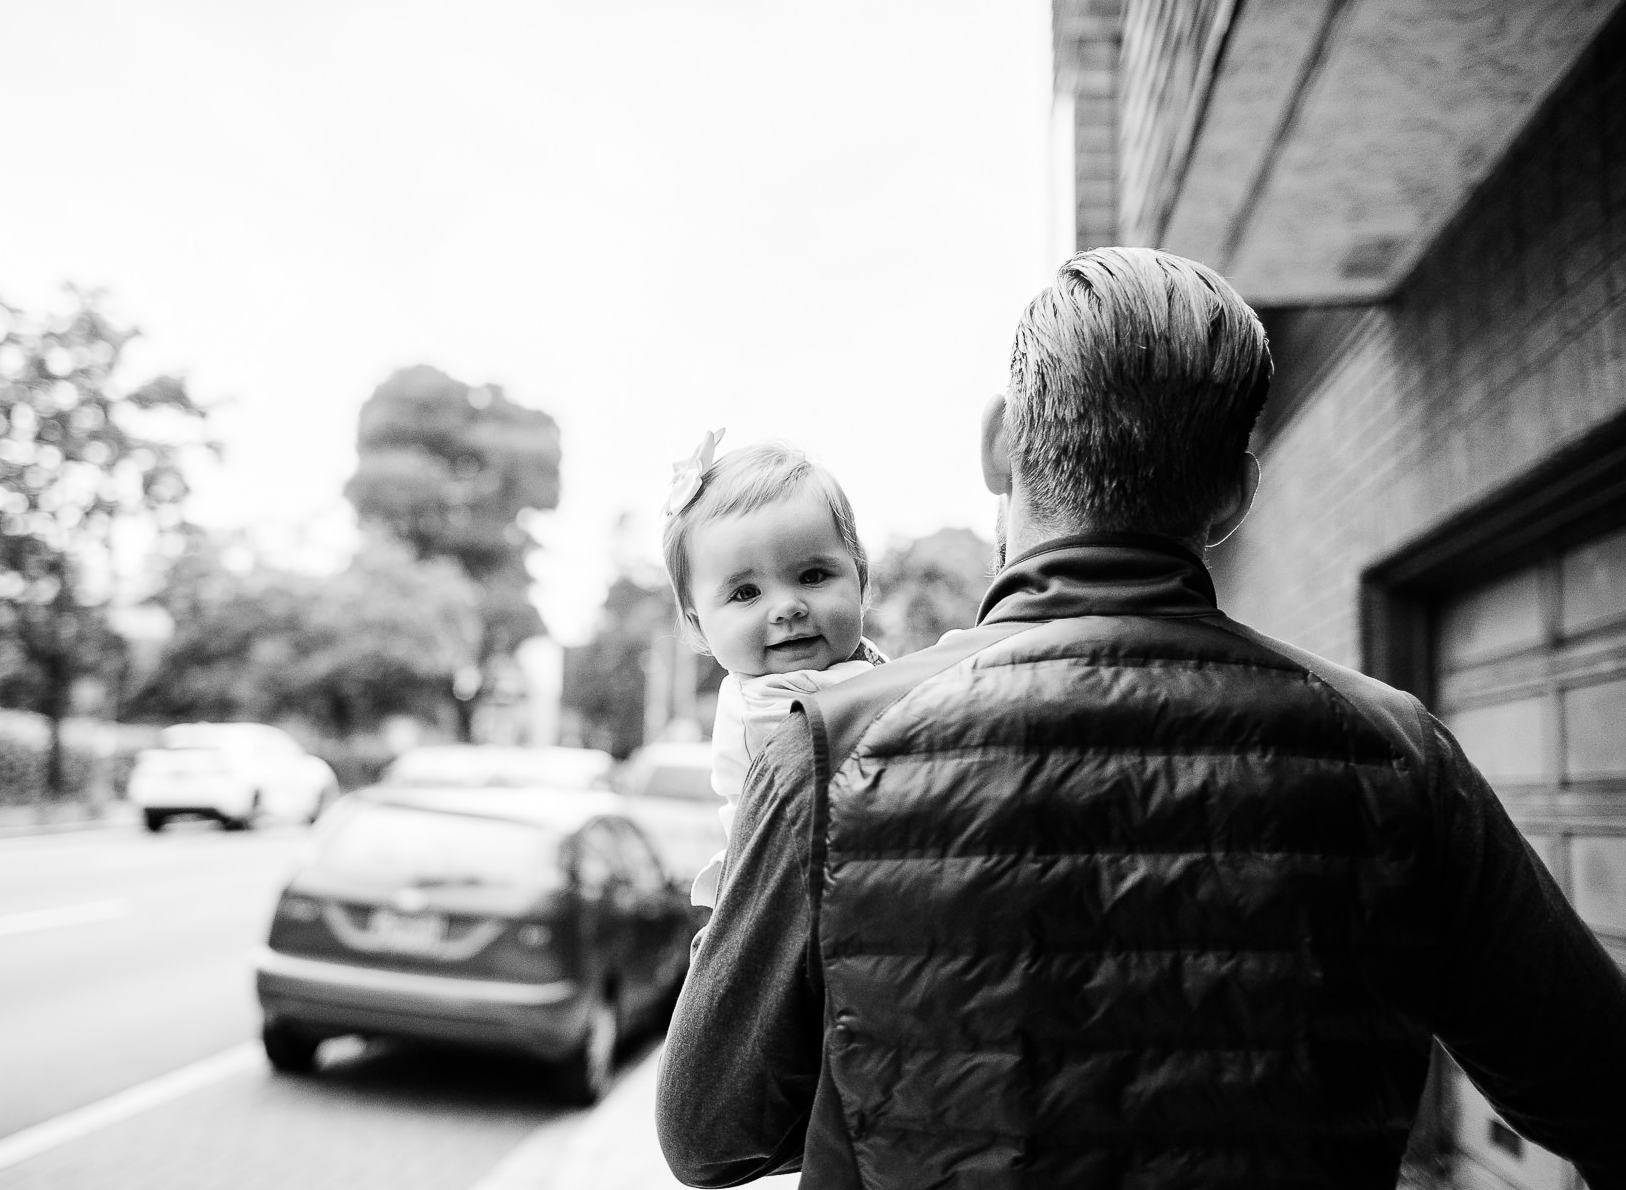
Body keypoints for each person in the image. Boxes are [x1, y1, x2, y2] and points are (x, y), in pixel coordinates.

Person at [656, 246, 1626, 1189]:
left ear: (999, 446)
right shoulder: (1400, 756)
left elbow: (709, 1137)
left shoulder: (829, 749)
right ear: (1236, 496)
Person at [660, 432, 884, 908]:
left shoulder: (846, 666)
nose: (787, 608)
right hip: (792, 894)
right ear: (699, 624)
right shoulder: (766, 709)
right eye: (746, 593)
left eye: (812, 576)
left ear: (860, 577)